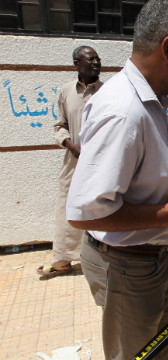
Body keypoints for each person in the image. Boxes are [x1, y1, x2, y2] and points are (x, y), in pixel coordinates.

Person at [66, 1, 168, 359]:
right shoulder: (123, 111)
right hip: (127, 266)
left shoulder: (151, 101)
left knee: (158, 351)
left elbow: (134, 180)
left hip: (151, 260)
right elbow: (83, 213)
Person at [37, 46, 102, 277]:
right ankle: (63, 260)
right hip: (74, 161)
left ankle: (100, 257)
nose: (96, 62)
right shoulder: (66, 91)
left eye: (97, 59)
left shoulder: (107, 91)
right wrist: (70, 145)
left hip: (102, 163)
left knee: (100, 206)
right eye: (90, 59)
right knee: (67, 206)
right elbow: (59, 125)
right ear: (77, 64)